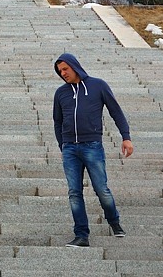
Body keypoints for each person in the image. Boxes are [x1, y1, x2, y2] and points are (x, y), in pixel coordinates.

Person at [53, 52, 133, 247]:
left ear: (74, 65)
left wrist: (126, 137)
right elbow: (57, 121)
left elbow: (116, 112)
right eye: (59, 71)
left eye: (65, 69)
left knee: (101, 190)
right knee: (74, 192)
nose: (63, 73)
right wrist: (62, 145)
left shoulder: (98, 86)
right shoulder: (61, 93)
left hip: (92, 146)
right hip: (70, 149)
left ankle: (113, 221)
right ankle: (81, 234)